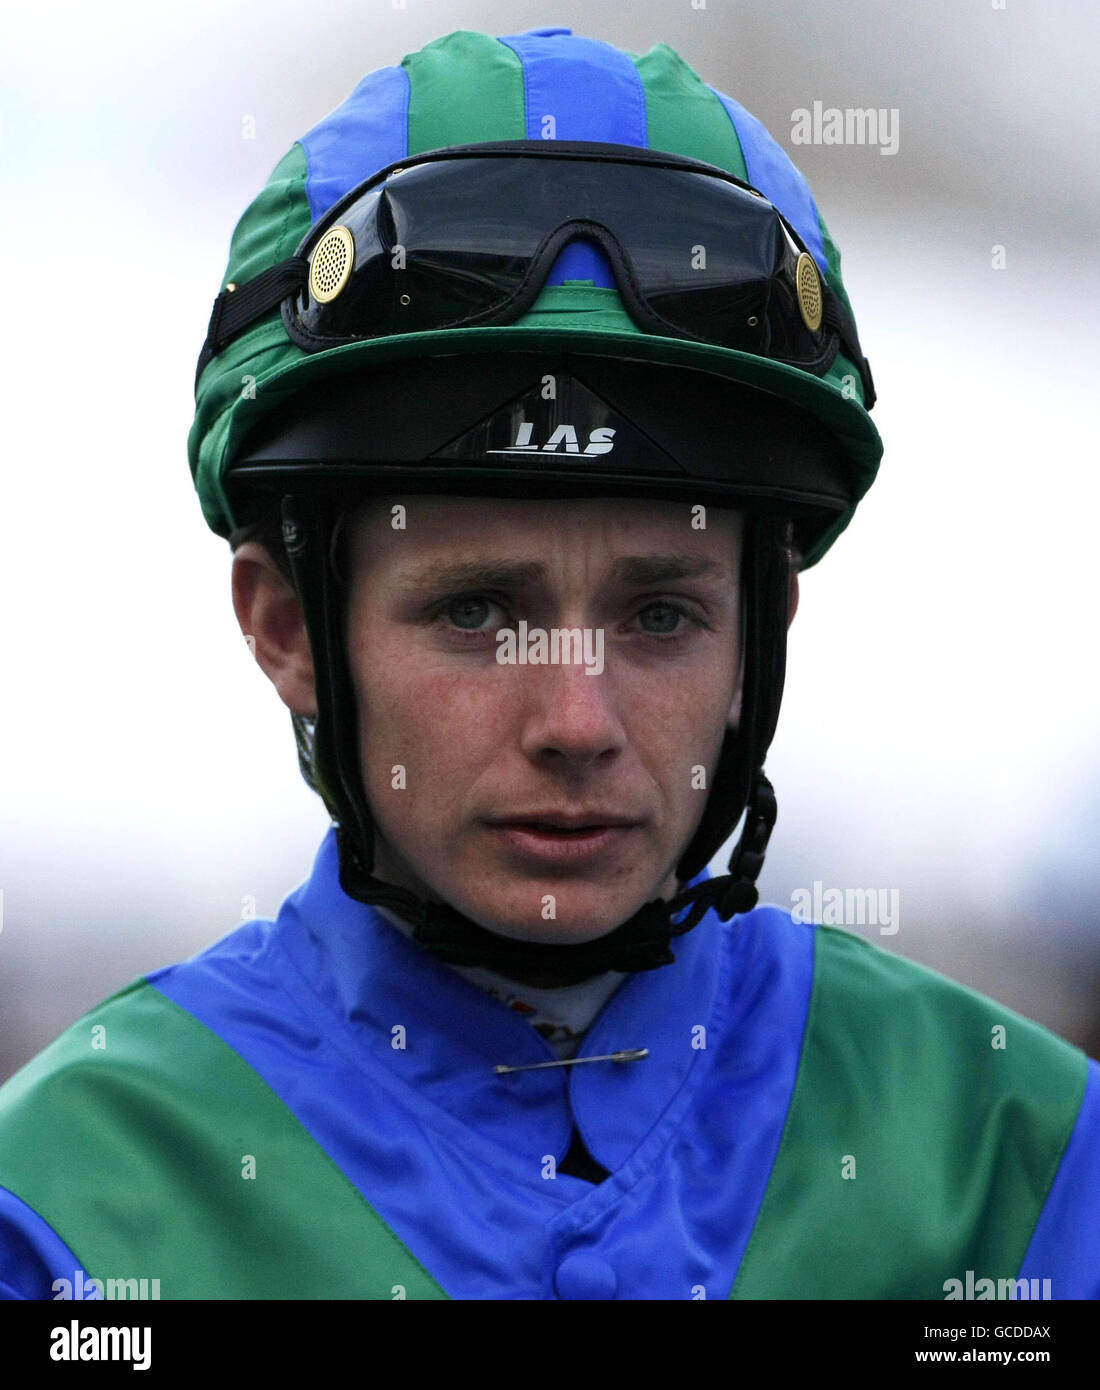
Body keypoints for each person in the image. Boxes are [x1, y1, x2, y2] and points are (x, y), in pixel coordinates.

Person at [1, 25, 1097, 1302]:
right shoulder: (58, 1217)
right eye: (475, 612)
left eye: (660, 616)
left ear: (765, 630)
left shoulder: (1023, 1164)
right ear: (286, 628)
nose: (576, 719)